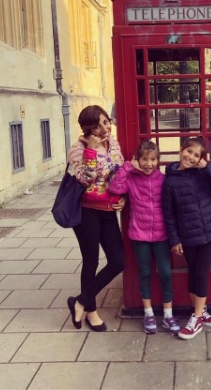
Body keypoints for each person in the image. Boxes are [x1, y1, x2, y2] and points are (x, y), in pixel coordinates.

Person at [108, 141, 180, 335]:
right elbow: (114, 188)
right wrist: (128, 167)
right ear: (137, 160)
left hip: (162, 235)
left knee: (165, 273)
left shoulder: (163, 180)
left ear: (158, 161)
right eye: (145, 159)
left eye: (153, 159)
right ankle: (148, 313)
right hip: (139, 233)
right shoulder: (131, 179)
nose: (149, 163)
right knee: (145, 273)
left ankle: (168, 314)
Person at [66, 105, 125, 332]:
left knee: (119, 261)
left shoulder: (114, 144)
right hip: (87, 212)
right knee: (90, 261)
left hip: (109, 211)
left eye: (106, 121)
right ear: (87, 129)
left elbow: (121, 174)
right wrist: (91, 150)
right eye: (97, 125)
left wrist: (125, 199)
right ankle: (91, 311)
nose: (104, 128)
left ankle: (79, 301)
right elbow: (85, 180)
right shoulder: (77, 150)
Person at [162, 138, 211, 340]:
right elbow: (169, 214)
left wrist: (207, 167)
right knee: (194, 273)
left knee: (200, 273)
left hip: (208, 231)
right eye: (189, 152)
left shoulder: (202, 173)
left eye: (196, 155)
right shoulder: (170, 181)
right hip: (187, 235)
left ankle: (197, 317)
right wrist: (174, 240)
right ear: (181, 150)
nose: (191, 157)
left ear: (200, 159)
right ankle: (199, 310)